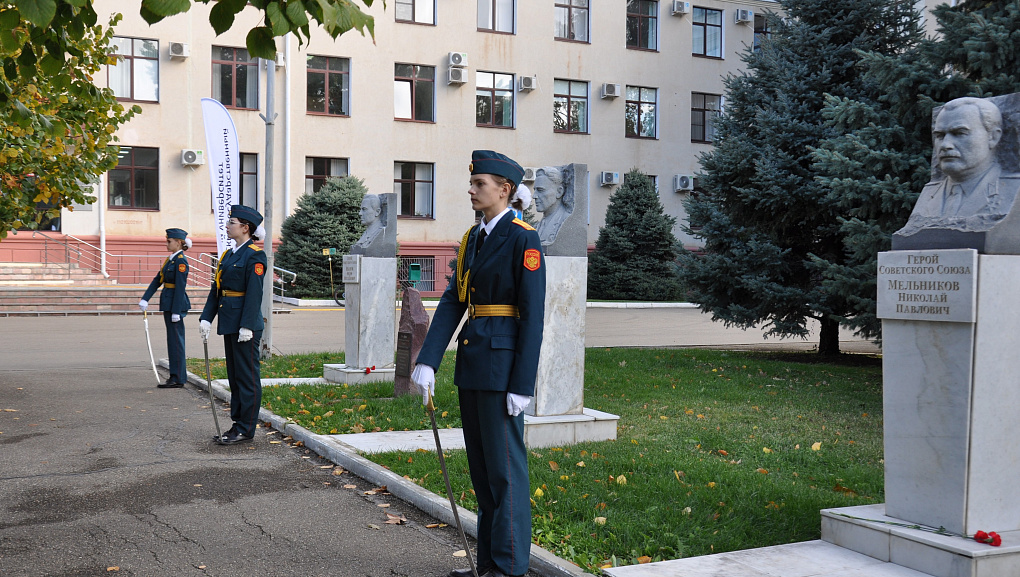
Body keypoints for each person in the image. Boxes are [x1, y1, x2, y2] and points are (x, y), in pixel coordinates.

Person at [412, 150, 546, 577]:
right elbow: (454, 300)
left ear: (504, 190)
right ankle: (487, 563)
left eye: (479, 184)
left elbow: (533, 313)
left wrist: (523, 383)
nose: (471, 190)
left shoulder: (523, 237)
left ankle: (508, 568)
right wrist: (429, 359)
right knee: (483, 472)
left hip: (502, 369)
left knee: (505, 474)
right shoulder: (474, 238)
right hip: (473, 362)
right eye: (472, 184)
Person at [898, 97, 1020, 236]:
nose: (945, 145)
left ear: (992, 137)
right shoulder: (930, 192)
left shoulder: (1013, 189)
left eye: (959, 133)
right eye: (940, 135)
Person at [199, 205, 268, 445]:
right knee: (235, 377)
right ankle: (237, 424)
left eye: (232, 222)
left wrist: (248, 325)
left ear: (245, 228)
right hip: (230, 322)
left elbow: (254, 294)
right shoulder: (228, 255)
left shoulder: (255, 255)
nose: (227, 226)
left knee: (247, 378)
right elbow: (217, 289)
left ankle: (246, 428)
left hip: (244, 325)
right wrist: (207, 317)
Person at [139, 228, 192, 388]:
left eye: (169, 241)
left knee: (176, 341)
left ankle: (178, 378)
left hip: (175, 305)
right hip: (169, 303)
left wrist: (176, 311)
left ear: (179, 242)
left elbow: (180, 287)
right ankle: (174, 376)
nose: (166, 244)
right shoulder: (171, 259)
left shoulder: (181, 261)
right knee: (172, 340)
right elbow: (158, 279)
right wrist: (145, 298)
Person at [533, 166, 573, 248]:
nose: (534, 196)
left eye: (540, 190)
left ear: (559, 192)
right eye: (535, 190)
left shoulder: (566, 221)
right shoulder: (536, 227)